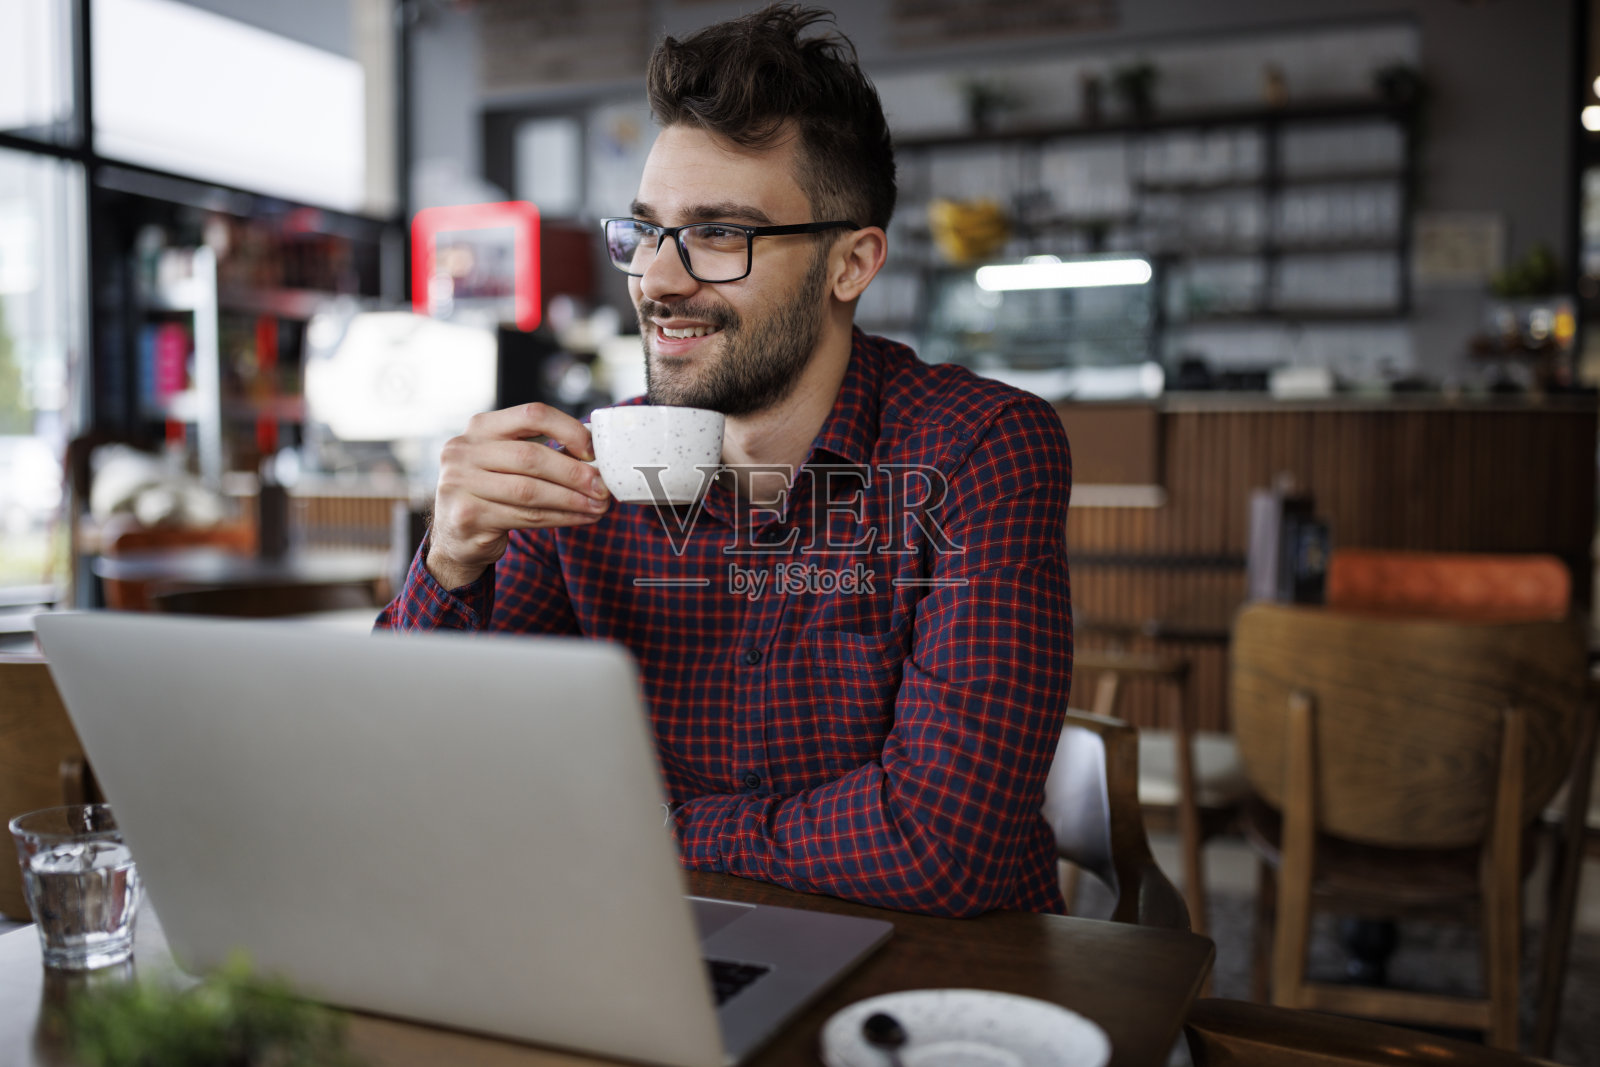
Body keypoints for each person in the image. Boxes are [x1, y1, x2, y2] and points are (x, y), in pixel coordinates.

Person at [378, 3, 1073, 917]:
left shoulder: (976, 449)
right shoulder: (582, 468)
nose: (657, 281)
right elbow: (419, 781)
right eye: (645, 233)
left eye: (719, 235)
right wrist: (450, 565)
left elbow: (945, 847)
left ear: (851, 263)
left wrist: (654, 826)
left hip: (939, 984)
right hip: (653, 951)